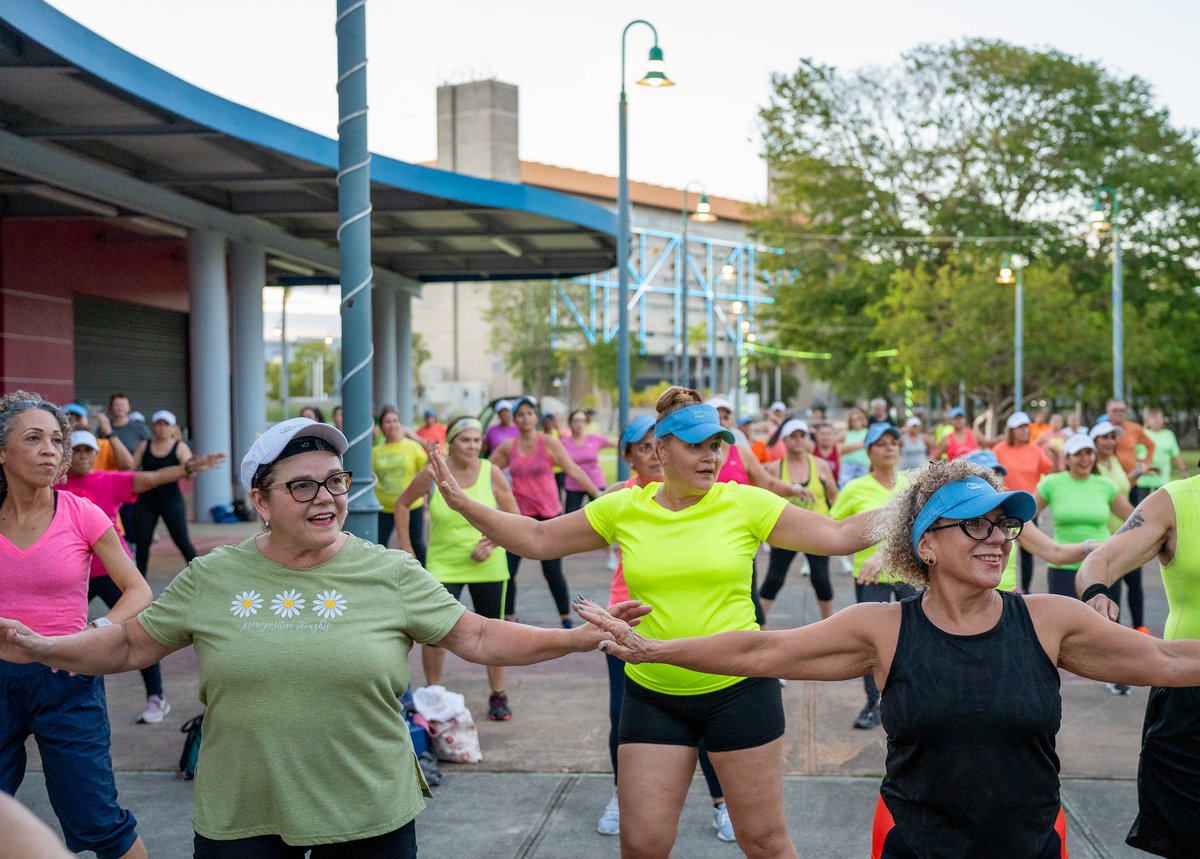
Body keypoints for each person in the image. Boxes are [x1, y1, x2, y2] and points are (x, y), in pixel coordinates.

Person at [0, 417, 619, 858]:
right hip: (242, 815)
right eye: (302, 486)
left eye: (335, 481)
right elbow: (133, 644)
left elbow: (478, 636)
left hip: (368, 815)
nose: (326, 497)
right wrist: (45, 648)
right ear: (261, 501)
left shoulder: (390, 571)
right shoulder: (214, 575)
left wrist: (573, 640)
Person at [578, 457, 1200, 859]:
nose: (996, 540)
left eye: (1002, 527)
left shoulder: (1049, 619)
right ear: (926, 544)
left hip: (1031, 844)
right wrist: (654, 649)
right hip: (913, 844)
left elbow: (1170, 661)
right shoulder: (883, 629)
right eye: (975, 526)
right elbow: (764, 648)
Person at [429, 387, 880, 859]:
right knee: (642, 846)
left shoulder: (745, 503)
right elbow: (539, 538)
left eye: (715, 446)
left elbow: (838, 534)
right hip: (653, 696)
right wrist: (463, 504)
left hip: (739, 692)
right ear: (662, 449)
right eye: (695, 446)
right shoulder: (625, 507)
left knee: (765, 843)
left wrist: (918, 501)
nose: (711, 457)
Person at [0, 391, 152, 859]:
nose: (50, 450)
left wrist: (94, 631)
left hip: (68, 680)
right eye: (34, 439)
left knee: (99, 824)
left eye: (56, 440)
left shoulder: (81, 513)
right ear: (2, 453)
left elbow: (138, 591)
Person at [595, 415, 735, 842]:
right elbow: (547, 536)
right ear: (633, 456)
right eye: (642, 448)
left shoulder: (700, 493)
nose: (652, 456)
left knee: (708, 709)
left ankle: (721, 801)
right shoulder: (620, 499)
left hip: (692, 620)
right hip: (630, 622)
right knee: (622, 714)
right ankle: (622, 794)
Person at [1076, 437, 1200, 857]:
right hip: (1188, 690)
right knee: (1186, 835)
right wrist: (1096, 592)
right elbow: (1103, 560)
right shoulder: (1175, 502)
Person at [64, 428, 224, 723]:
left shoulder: (108, 480)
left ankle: (156, 697)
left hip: (112, 572)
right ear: (67, 455)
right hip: (73, 578)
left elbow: (154, 477)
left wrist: (188, 468)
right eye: (77, 450)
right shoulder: (54, 487)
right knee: (61, 636)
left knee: (140, 633)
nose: (83, 456)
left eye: (88, 450)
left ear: (96, 454)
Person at [395, 416, 520, 722]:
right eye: (465, 440)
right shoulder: (434, 472)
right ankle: (434, 693)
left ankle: (498, 694)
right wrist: (407, 547)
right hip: (443, 564)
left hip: (488, 566)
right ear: (450, 442)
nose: (472, 446)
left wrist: (493, 542)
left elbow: (515, 516)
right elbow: (402, 503)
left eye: (477, 440)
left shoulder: (491, 472)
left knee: (495, 630)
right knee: (435, 632)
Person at [830, 422, 913, 730]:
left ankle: (912, 700)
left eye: (894, 442)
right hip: (869, 577)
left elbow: (921, 528)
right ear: (868, 452)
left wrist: (885, 553)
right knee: (871, 643)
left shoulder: (911, 484)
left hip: (909, 573)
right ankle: (872, 704)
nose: (889, 447)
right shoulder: (855, 488)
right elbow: (834, 528)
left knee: (914, 638)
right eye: (881, 443)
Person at [490, 396, 601, 627]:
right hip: (519, 516)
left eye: (529, 413)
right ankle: (509, 617)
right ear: (514, 418)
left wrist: (596, 494)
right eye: (520, 414)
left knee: (552, 571)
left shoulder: (548, 442)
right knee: (508, 570)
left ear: (536, 417)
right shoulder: (509, 447)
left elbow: (572, 469)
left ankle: (565, 617)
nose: (525, 418)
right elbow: (485, 470)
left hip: (549, 515)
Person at [1034, 432, 1133, 600]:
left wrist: (1119, 547)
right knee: (1064, 616)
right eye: (1078, 454)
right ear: (1067, 459)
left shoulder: (1106, 485)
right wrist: (1045, 547)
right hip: (1063, 567)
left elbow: (1133, 519)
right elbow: (1025, 515)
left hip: (1102, 565)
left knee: (1104, 616)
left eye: (1089, 453)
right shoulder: (1051, 483)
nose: (1085, 458)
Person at [760, 419, 840, 621]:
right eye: (793, 436)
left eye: (802, 436)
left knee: (820, 578)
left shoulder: (820, 465)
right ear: (784, 440)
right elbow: (765, 498)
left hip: (817, 530)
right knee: (774, 579)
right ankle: (757, 623)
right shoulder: (774, 468)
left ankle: (829, 623)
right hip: (787, 530)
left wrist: (835, 520)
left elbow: (834, 496)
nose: (798, 440)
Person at [1091, 419, 1149, 639]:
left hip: (1127, 534)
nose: (1110, 442)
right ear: (1094, 441)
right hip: (1105, 538)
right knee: (1112, 590)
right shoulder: (1091, 469)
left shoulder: (1114, 461)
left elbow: (1122, 486)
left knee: (1134, 582)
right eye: (1104, 438)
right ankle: (1117, 635)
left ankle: (1140, 628)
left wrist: (1136, 475)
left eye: (1112, 438)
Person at [129, 410, 200, 576]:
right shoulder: (145, 445)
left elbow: (191, 473)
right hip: (146, 501)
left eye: (166, 424)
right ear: (153, 427)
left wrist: (190, 468)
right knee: (142, 543)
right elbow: (130, 469)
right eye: (158, 424)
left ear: (173, 427)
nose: (162, 428)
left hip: (171, 500)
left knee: (182, 541)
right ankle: (139, 581)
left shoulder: (179, 447)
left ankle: (200, 575)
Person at [992, 411, 1054, 594]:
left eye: (1026, 426)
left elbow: (1050, 472)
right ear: (1011, 430)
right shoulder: (999, 449)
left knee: (1028, 552)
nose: (1024, 430)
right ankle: (999, 587)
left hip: (1027, 508)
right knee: (1003, 548)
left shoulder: (1035, 450)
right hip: (1005, 509)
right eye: (1020, 427)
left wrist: (1056, 456)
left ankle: (1026, 590)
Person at [371, 405, 429, 559]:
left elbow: (425, 473)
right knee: (380, 545)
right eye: (388, 421)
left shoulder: (413, 447)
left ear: (400, 424)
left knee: (417, 544)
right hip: (384, 506)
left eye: (395, 420)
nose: (392, 424)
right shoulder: (376, 451)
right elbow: (370, 478)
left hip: (412, 505)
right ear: (382, 426)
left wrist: (425, 498)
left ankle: (424, 572)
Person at [560, 409, 617, 514]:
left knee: (601, 515)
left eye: (582, 420)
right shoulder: (563, 443)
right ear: (570, 423)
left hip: (596, 484)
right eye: (576, 420)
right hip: (574, 486)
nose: (579, 424)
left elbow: (617, 443)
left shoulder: (594, 439)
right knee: (571, 517)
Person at [64, 402, 132, 471]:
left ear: (87, 421)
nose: (74, 423)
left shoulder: (104, 445)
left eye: (78, 419)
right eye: (68, 420)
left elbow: (127, 466)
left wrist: (110, 433)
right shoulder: (59, 448)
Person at [1137, 408, 1188, 496]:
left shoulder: (1168, 434)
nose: (1156, 420)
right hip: (1143, 478)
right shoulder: (1142, 433)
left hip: (1162, 478)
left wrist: (1183, 471)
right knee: (1141, 503)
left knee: (1162, 502)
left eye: (1159, 418)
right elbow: (1133, 453)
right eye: (1153, 418)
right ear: (1148, 421)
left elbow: (1176, 454)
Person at [1106, 399, 1155, 481]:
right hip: (1110, 477)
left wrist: (1146, 462)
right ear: (1108, 412)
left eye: (1122, 410)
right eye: (1115, 410)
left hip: (1132, 478)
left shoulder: (1134, 428)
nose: (1118, 413)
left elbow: (1151, 445)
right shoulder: (1102, 431)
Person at [838, 408, 871, 487]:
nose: (856, 422)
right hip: (848, 465)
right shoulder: (846, 433)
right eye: (852, 420)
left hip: (863, 465)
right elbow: (835, 447)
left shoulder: (868, 432)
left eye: (858, 419)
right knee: (844, 487)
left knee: (863, 488)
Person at [812, 422, 840, 486]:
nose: (825, 436)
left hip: (834, 486)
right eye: (822, 434)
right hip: (816, 486)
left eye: (828, 434)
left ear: (833, 436)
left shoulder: (838, 449)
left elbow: (860, 444)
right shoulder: (812, 447)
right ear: (816, 436)